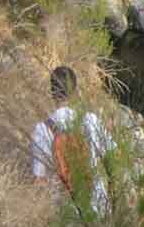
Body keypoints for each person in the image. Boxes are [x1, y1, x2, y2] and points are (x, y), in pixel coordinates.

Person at [30, 65, 114, 213]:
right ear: (75, 91)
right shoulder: (91, 120)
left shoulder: (41, 130)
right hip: (98, 205)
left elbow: (39, 181)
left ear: (52, 92)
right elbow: (114, 160)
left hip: (65, 214)